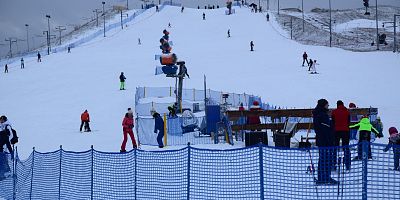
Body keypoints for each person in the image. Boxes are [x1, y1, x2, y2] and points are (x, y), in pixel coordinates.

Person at [313, 99, 337, 185]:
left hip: (321, 140)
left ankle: (323, 177)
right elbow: (326, 130)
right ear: (323, 105)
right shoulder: (322, 115)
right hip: (325, 141)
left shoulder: (318, 114)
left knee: (323, 159)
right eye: (327, 105)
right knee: (326, 159)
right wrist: (332, 124)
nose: (328, 106)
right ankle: (325, 178)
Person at [331, 100, 351, 171]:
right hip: (345, 131)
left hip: (336, 131)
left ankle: (333, 165)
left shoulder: (334, 112)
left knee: (334, 148)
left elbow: (332, 122)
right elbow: (348, 122)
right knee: (346, 148)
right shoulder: (347, 112)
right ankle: (348, 165)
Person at [0, 116, 17, 181]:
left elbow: (11, 135)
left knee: (3, 159)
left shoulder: (7, 126)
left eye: (1, 119)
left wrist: (11, 152)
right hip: (3, 147)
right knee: (3, 159)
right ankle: (4, 172)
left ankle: (4, 172)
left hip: (3, 148)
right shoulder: (2, 128)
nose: (0, 121)